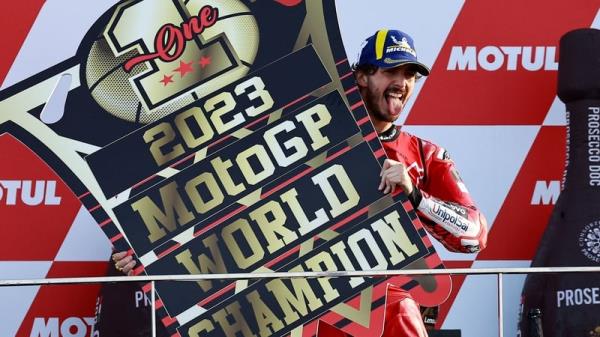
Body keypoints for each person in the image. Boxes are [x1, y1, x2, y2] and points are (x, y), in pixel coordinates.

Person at [353, 29, 488, 336]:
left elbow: (475, 236)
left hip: (397, 307)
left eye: (410, 74)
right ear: (362, 76)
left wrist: (415, 196)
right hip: (321, 303)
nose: (402, 84)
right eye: (390, 72)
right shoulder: (319, 141)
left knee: (399, 306)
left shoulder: (426, 154)